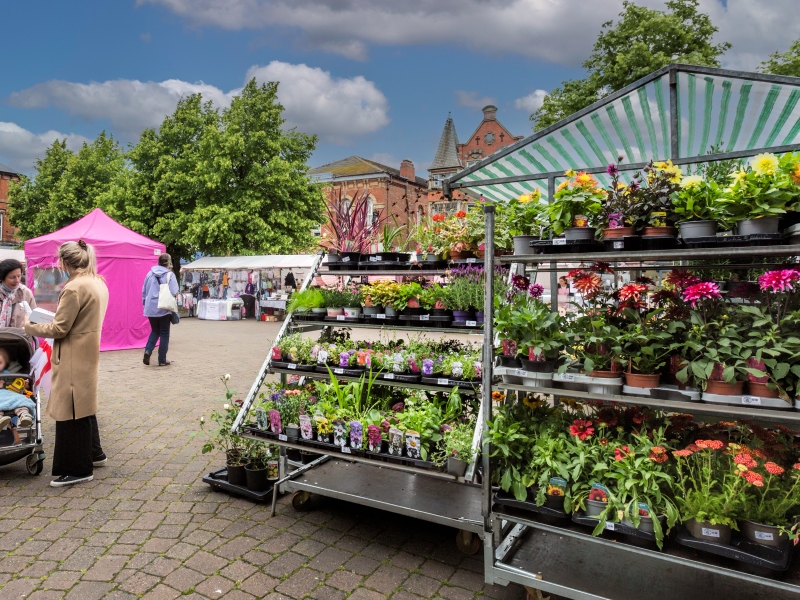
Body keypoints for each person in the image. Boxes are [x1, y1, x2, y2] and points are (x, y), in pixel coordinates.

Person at [24, 240, 109, 487]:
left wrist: (30, 325)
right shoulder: (97, 281)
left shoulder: (74, 287)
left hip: (72, 353)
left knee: (70, 411)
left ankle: (78, 469)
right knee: (83, 404)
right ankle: (95, 454)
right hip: (87, 350)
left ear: (63, 261)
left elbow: (60, 328)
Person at [142, 253, 179, 366]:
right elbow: (174, 291)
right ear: (168, 263)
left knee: (155, 331)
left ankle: (148, 350)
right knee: (164, 333)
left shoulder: (149, 274)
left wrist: (145, 304)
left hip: (150, 308)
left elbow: (144, 291)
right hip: (164, 307)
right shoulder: (170, 275)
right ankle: (162, 359)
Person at [0, 348, 34, 430]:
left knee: (21, 400)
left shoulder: (12, 374)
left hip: (12, 396)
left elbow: (18, 388)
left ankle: (24, 416)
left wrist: (24, 385)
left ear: (5, 363)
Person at [0, 259, 37, 328]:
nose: (17, 280)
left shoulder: (25, 293)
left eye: (19, 276)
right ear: (2, 277)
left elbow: (34, 318)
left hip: (20, 337)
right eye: (12, 277)